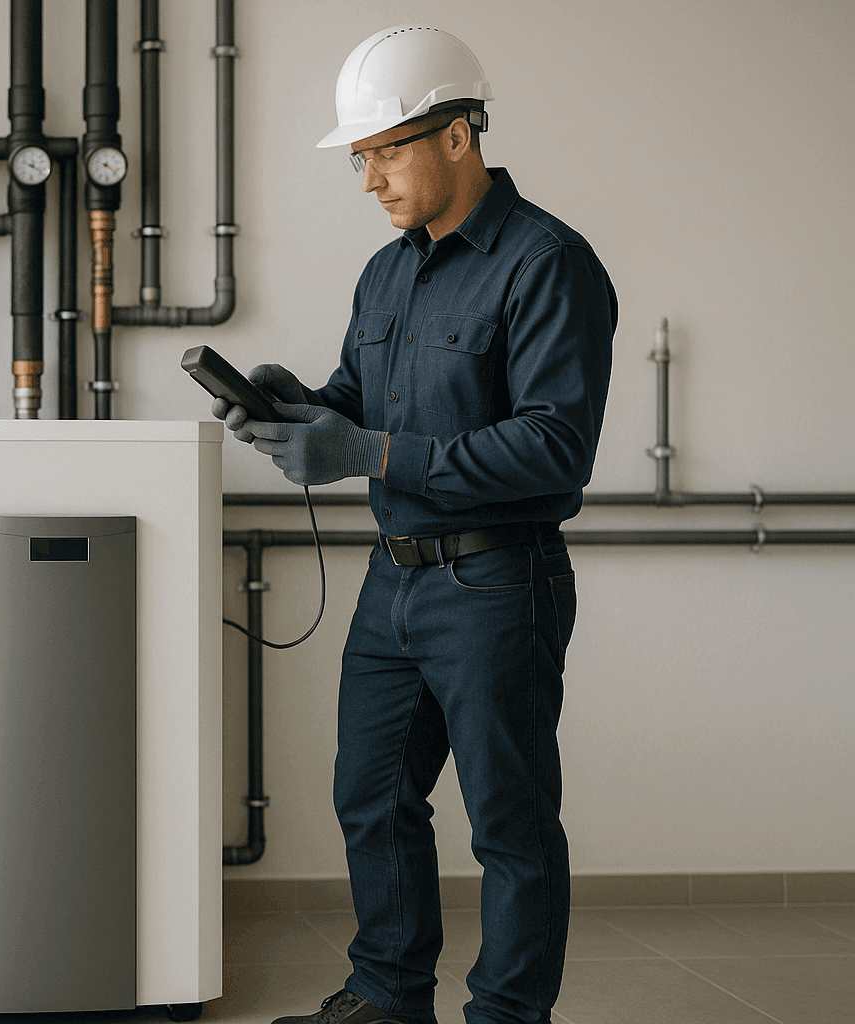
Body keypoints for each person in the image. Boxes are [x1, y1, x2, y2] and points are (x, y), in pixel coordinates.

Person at [213, 25, 616, 1024]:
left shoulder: (547, 264)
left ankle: (506, 1016)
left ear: (459, 134)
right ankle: (388, 999)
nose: (370, 178)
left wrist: (370, 455)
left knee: (509, 823)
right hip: (393, 582)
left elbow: (555, 451)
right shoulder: (387, 274)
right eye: (363, 156)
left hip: (497, 585)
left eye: (387, 148)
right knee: (372, 798)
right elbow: (357, 402)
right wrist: (294, 401)